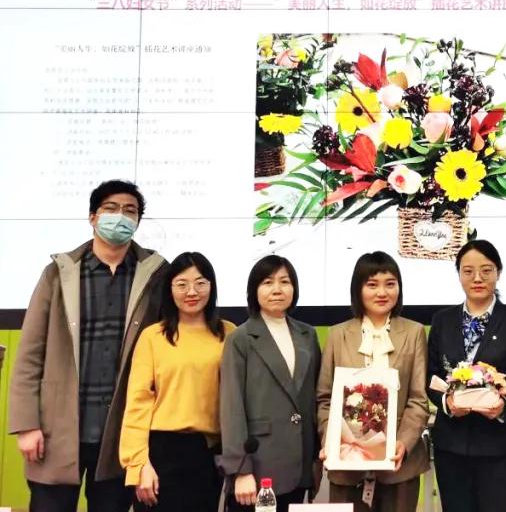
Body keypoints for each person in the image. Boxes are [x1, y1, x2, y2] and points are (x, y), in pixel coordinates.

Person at [8, 179, 168, 512]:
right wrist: (26, 425)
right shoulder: (58, 274)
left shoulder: (156, 276)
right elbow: (29, 354)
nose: (120, 217)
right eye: (111, 209)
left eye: (130, 211)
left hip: (120, 434)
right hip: (57, 429)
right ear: (93, 217)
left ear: (138, 221)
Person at [426, 240, 506, 512]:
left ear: (498, 272)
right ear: (459, 274)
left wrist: (504, 407)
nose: (477, 278)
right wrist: (447, 404)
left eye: (486, 270)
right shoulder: (442, 320)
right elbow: (431, 375)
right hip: (451, 446)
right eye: (468, 271)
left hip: (500, 446)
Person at [120, 251, 236, 511]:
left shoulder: (229, 333)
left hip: (208, 453)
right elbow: (137, 403)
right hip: (160, 453)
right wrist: (139, 464)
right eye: (182, 284)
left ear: (212, 287)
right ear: (169, 289)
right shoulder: (153, 336)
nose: (191, 292)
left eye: (200, 283)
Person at [317, 251, 430, 511]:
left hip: (399, 465)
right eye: (372, 284)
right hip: (347, 463)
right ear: (358, 290)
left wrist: (404, 442)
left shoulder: (414, 332)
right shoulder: (337, 335)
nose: (382, 292)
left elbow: (418, 398)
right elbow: (324, 398)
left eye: (390, 284)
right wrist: (331, 441)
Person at [219, 255, 322, 511]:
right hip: (258, 467)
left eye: (285, 282)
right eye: (267, 282)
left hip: (300, 463)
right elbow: (231, 408)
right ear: (254, 291)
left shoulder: (308, 335)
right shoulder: (240, 338)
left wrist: (316, 460)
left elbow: (315, 398)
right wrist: (241, 469)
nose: (277, 289)